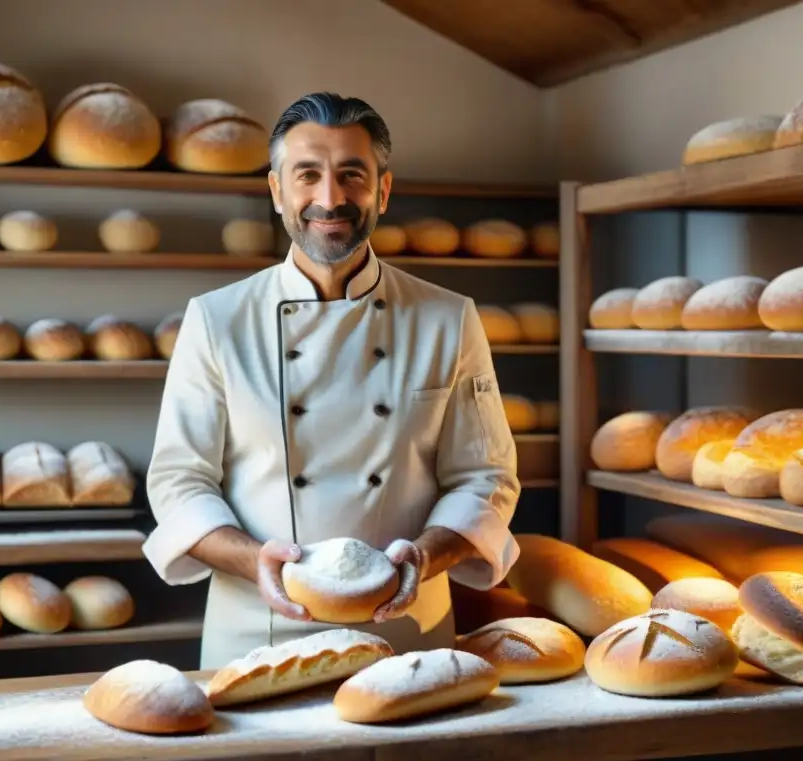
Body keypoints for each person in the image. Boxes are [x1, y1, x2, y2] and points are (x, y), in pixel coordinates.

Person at [143, 92, 522, 669]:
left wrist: (422, 557)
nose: (330, 198)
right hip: (257, 631)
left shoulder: (448, 317)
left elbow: (486, 476)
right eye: (308, 175)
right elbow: (179, 481)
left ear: (383, 191)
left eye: (352, 175)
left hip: (406, 630)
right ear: (277, 190)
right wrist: (255, 560)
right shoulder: (217, 319)